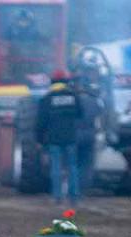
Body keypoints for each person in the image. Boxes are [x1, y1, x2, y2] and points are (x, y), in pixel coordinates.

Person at [36, 69, 83, 205]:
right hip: (70, 137)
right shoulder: (73, 96)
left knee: (56, 167)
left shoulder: (47, 98)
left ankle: (57, 197)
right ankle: (74, 197)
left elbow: (40, 122)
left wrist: (39, 140)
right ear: (66, 81)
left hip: (54, 138)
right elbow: (81, 114)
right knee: (72, 167)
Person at [76, 83, 103, 192]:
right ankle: (84, 186)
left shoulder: (75, 101)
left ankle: (74, 186)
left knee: (75, 162)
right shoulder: (95, 102)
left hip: (75, 134)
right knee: (87, 162)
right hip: (90, 134)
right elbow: (99, 118)